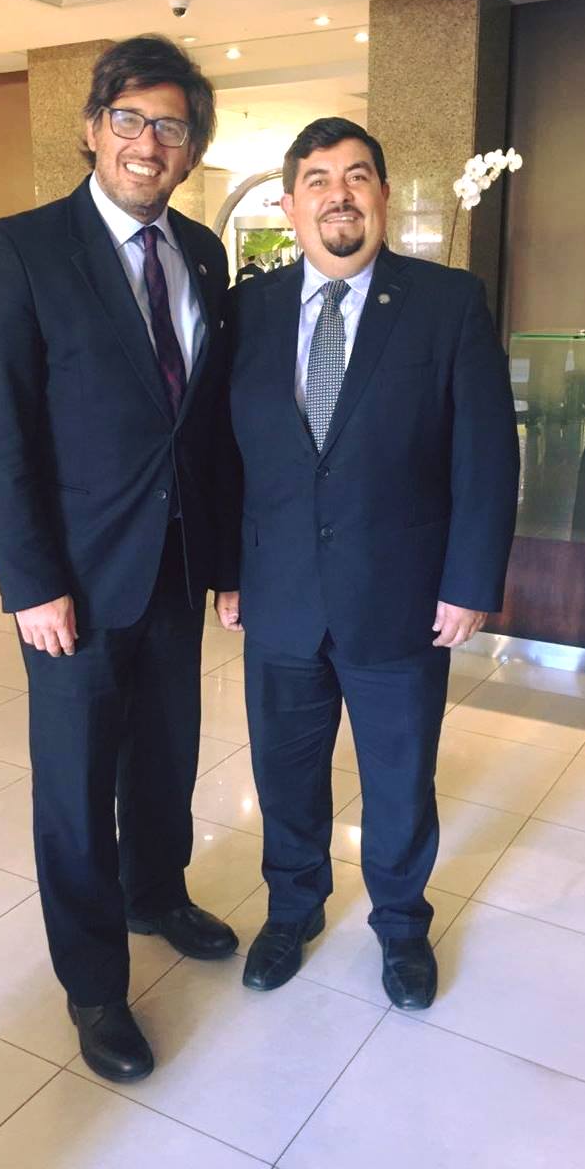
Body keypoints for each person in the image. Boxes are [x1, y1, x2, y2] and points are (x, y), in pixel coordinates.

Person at [0, 35, 238, 1084]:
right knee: (76, 787)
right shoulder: (22, 248)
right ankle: (92, 983)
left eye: (170, 126)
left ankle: (154, 892)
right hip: (72, 580)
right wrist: (30, 583)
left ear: (189, 148)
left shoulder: (201, 252)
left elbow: (202, 426)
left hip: (175, 563)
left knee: (167, 751)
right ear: (92, 129)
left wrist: (224, 556)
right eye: (129, 119)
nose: (147, 143)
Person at [216, 117, 518, 1009]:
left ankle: (400, 924)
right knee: (284, 772)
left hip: (401, 597)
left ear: (382, 195)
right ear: (289, 204)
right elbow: (225, 456)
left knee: (398, 776)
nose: (337, 194)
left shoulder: (445, 301)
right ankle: (292, 908)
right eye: (316, 179)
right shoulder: (248, 309)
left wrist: (468, 582)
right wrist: (228, 570)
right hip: (277, 595)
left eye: (355, 176)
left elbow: (484, 457)